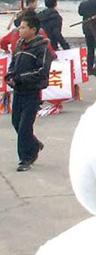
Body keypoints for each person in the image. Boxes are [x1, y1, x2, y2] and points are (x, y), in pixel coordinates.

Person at [7, 13, 51, 172]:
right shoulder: (19, 44)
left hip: (32, 93)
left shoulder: (42, 48)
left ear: (33, 30)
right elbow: (13, 64)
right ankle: (34, 144)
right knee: (16, 122)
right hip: (18, 91)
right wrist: (10, 76)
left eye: (23, 27)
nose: (20, 30)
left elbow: (42, 71)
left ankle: (26, 158)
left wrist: (21, 78)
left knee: (25, 126)